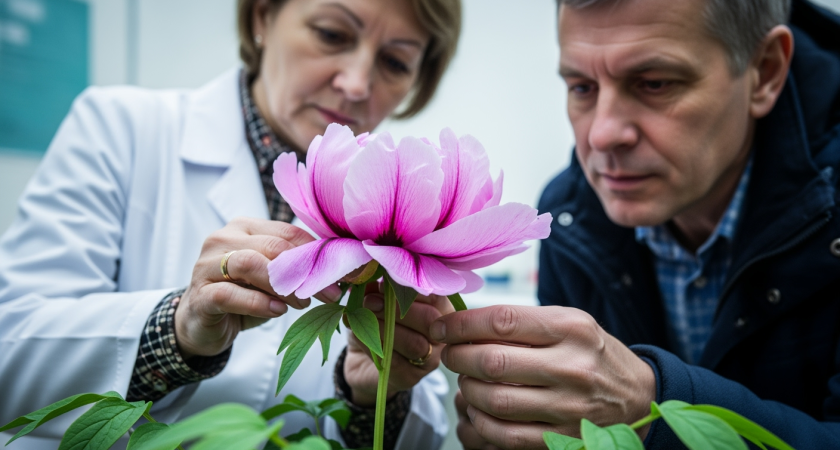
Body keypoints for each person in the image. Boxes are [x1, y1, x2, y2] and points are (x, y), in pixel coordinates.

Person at [0, 0, 461, 449]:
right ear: (262, 16)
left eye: (395, 62)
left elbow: (423, 435)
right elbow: (10, 353)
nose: (357, 84)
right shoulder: (119, 127)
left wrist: (372, 395)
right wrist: (175, 330)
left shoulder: (404, 203)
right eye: (332, 34)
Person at [434, 0, 840, 448]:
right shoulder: (569, 215)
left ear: (764, 72)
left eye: (654, 84)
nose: (601, 135)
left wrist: (654, 410)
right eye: (582, 87)